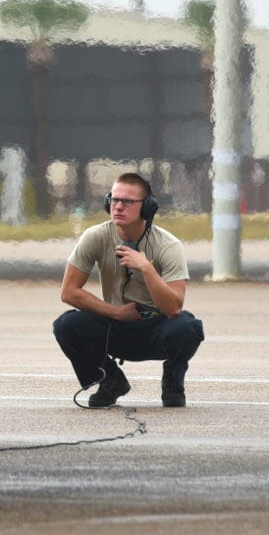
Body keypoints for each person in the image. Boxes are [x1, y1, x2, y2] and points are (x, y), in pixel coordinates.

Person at [52, 173, 205, 407]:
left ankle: (173, 382)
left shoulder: (168, 245)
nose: (118, 207)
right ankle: (110, 380)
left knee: (187, 328)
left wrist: (146, 268)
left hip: (156, 326)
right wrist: (116, 312)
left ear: (147, 207)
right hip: (116, 323)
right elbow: (69, 292)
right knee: (67, 325)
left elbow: (174, 307)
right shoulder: (96, 236)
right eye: (114, 200)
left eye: (127, 202)